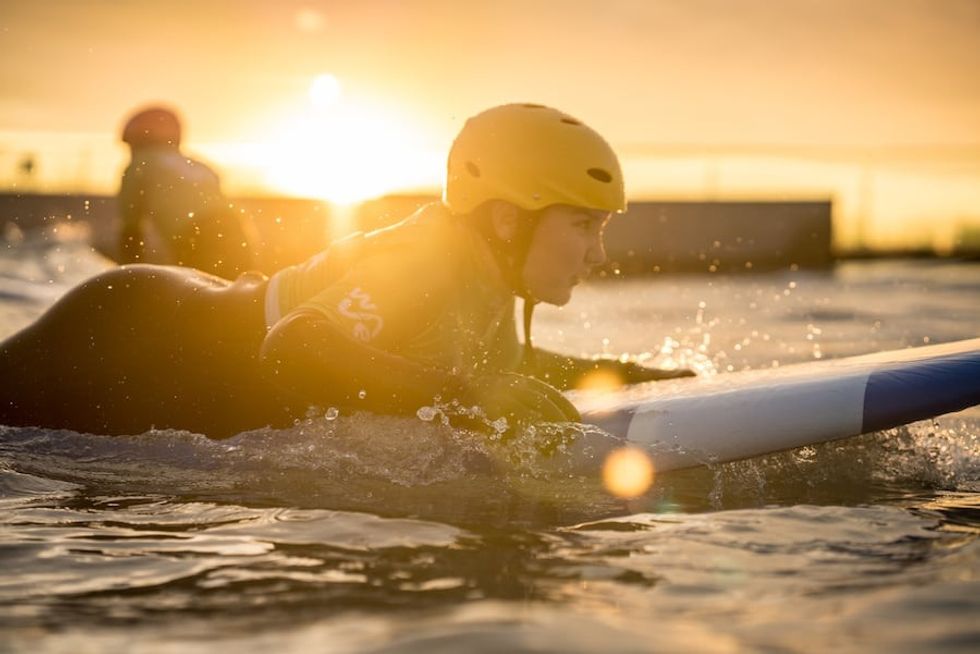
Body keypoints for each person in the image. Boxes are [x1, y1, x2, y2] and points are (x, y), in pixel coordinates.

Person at [0, 103, 692, 439]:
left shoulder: (488, 282)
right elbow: (297, 348)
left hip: (169, 344)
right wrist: (470, 392)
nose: (598, 254)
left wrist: (632, 374)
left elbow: (513, 367)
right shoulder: (427, 259)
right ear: (509, 221)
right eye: (583, 226)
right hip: (129, 335)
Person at [118, 105, 255, 278]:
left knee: (200, 294)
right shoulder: (200, 165)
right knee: (235, 291)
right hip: (237, 231)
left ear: (139, 140)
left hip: (195, 236)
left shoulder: (139, 166)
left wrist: (128, 277)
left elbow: (130, 232)